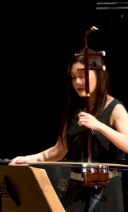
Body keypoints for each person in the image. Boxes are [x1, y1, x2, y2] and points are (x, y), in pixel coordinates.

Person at [9, 49, 128, 212]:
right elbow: (59, 150)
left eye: (82, 76)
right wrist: (28, 159)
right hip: (76, 189)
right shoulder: (73, 108)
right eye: (73, 78)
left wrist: (100, 126)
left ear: (98, 74)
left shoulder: (115, 108)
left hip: (106, 190)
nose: (78, 82)